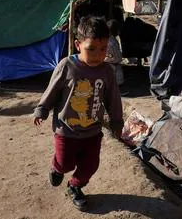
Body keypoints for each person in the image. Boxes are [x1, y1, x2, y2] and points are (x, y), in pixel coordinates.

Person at [33, 16, 124, 211]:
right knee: (65, 162)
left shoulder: (107, 71)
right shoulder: (67, 66)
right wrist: (42, 109)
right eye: (91, 49)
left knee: (91, 165)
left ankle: (75, 186)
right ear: (78, 45)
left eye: (103, 49)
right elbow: (52, 90)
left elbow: (113, 98)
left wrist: (117, 121)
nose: (98, 55)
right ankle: (57, 168)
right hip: (66, 129)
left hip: (93, 130)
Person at [105, 19, 124, 86]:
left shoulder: (113, 40)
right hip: (110, 64)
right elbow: (109, 56)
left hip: (115, 64)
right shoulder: (109, 42)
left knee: (118, 82)